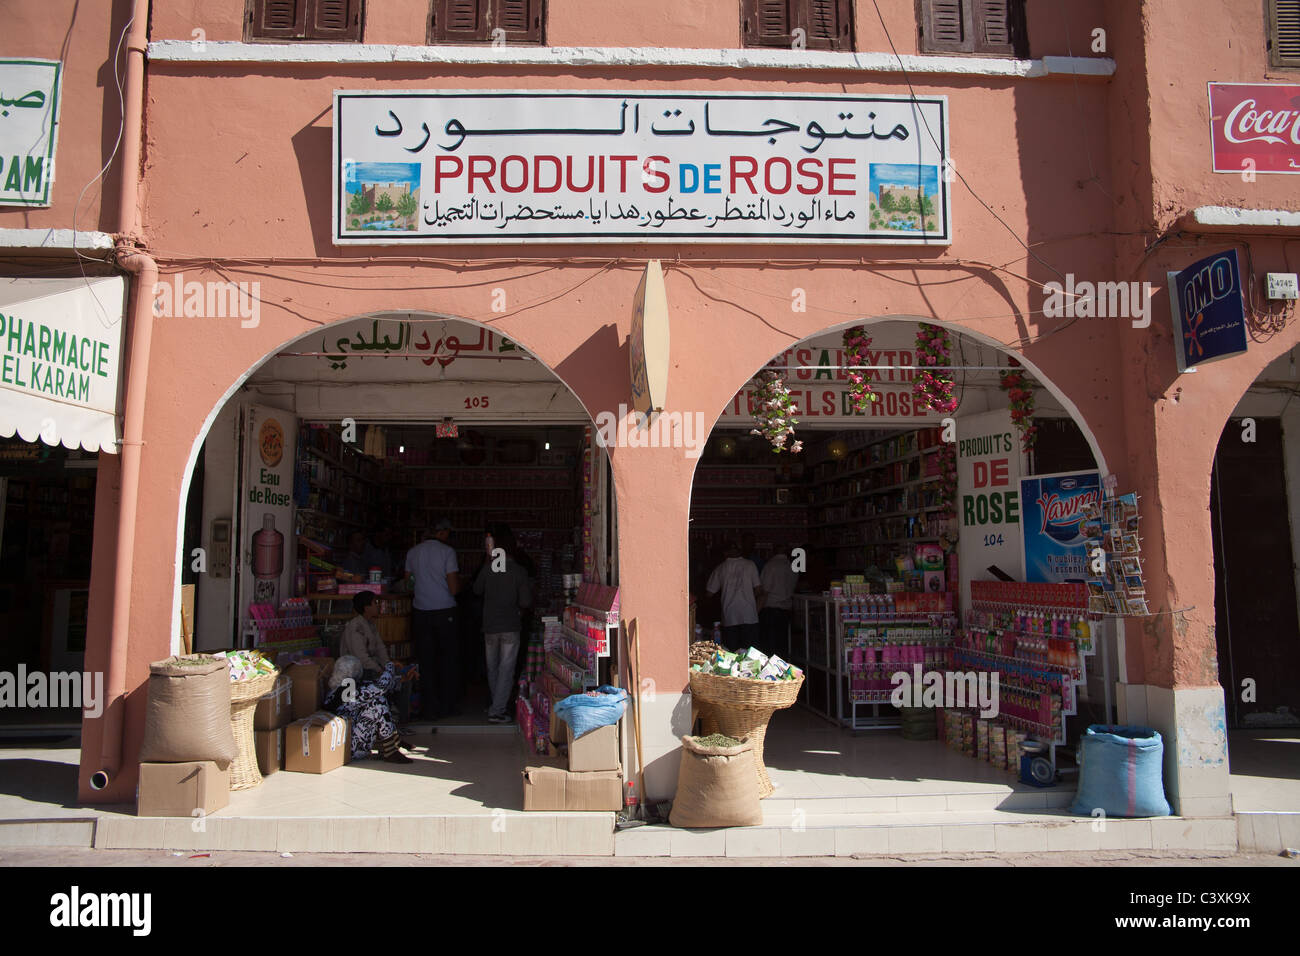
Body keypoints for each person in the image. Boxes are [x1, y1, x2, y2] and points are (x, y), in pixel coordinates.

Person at [472, 523, 533, 723]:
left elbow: (476, 590)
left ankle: (496, 705)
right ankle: (497, 710)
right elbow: (525, 601)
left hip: (490, 625)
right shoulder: (519, 571)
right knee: (506, 669)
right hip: (510, 625)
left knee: (494, 668)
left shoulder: (488, 569)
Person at [404, 518, 461, 719]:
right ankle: (447, 706)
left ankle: (428, 707)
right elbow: (453, 587)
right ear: (442, 533)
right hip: (444, 610)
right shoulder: (447, 552)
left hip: (421, 610)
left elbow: (409, 584)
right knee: (447, 659)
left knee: (426, 660)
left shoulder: (413, 552)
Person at [322, 656, 413, 763]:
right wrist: (389, 666)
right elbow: (380, 687)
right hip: (348, 750)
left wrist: (400, 678)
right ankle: (391, 750)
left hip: (349, 743)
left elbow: (376, 686)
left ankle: (393, 742)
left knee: (376, 699)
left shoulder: (340, 690)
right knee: (377, 703)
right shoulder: (345, 693)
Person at [706, 539, 763, 648]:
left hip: (729, 616)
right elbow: (758, 590)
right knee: (750, 654)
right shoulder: (750, 565)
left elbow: (709, 592)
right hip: (749, 615)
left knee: (731, 653)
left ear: (725, 553)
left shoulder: (720, 568)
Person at [340, 590, 390, 681]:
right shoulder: (356, 627)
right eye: (375, 603)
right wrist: (380, 671)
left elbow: (380, 647)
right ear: (366, 608)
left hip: (369, 667)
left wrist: (388, 666)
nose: (378, 605)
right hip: (356, 672)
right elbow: (361, 658)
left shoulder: (370, 624)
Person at [759, 546, 799, 657]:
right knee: (782, 645)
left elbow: (764, 591)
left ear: (773, 551)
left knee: (770, 647)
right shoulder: (792, 566)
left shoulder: (770, 566)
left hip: (771, 610)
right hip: (786, 610)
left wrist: (757, 610)